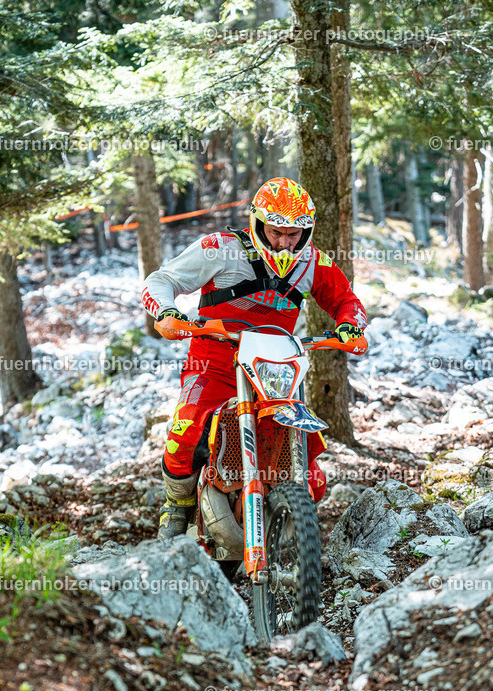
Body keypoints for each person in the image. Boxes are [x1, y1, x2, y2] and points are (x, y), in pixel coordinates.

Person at [141, 176, 368, 539]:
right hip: (214, 365)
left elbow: (348, 302)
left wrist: (349, 326)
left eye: (294, 234)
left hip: (274, 372)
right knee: (183, 433)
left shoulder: (312, 262)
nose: (284, 242)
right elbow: (161, 280)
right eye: (276, 231)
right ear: (258, 223)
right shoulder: (220, 248)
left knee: (312, 472)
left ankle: (287, 526)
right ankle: (177, 508)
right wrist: (168, 312)